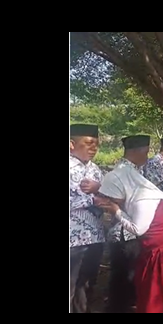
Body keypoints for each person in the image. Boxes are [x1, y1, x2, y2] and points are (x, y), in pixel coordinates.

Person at [97, 167, 163, 314]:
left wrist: (116, 211)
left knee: (159, 289)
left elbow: (138, 229)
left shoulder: (143, 199)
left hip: (162, 250)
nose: (112, 201)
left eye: (112, 197)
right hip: (157, 246)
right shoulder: (138, 194)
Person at [106, 135, 150, 314]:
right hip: (123, 232)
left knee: (131, 274)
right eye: (146, 152)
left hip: (134, 229)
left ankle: (128, 305)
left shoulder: (136, 171)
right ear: (135, 152)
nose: (147, 156)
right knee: (121, 275)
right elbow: (114, 200)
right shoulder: (121, 172)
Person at [69, 124, 105, 313]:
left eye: (96, 144)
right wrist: (92, 199)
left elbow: (108, 196)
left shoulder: (96, 170)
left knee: (87, 283)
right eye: (89, 143)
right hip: (73, 239)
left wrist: (99, 190)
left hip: (95, 235)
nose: (94, 148)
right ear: (71, 144)